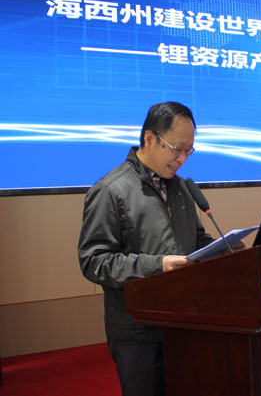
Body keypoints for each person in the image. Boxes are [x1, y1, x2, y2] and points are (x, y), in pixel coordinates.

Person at [78, 101, 215, 396]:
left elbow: (195, 240)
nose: (182, 159)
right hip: (139, 332)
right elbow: (94, 261)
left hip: (184, 322)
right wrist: (157, 266)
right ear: (150, 138)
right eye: (176, 149)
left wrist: (222, 248)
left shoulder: (180, 188)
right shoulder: (110, 190)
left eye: (189, 150)